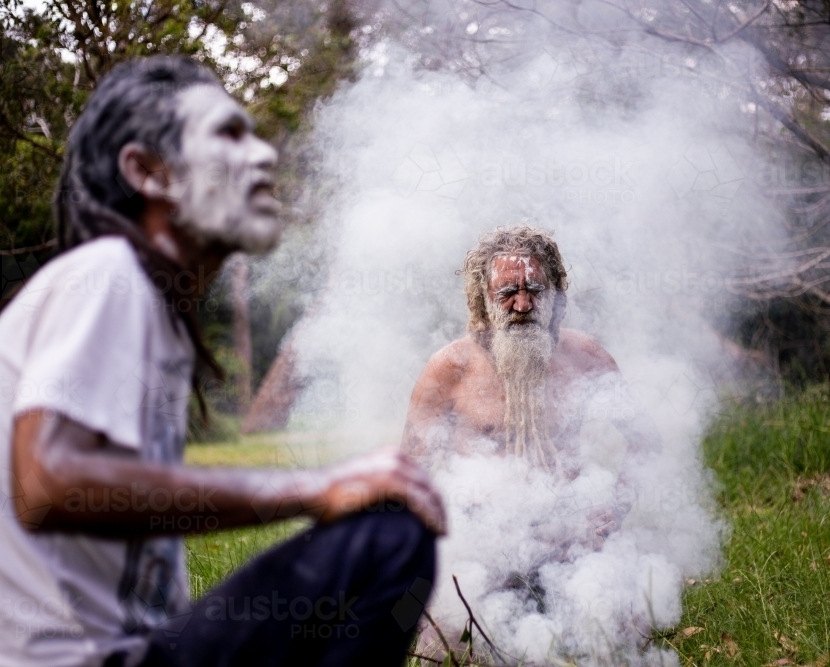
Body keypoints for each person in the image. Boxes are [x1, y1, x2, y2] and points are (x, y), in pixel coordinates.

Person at [0, 56, 445, 667]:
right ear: (149, 172)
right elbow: (45, 481)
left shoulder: (151, 314)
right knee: (390, 537)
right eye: (229, 134)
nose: (262, 154)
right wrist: (314, 487)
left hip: (142, 647)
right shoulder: (107, 274)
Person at [401, 225, 658, 544]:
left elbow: (645, 439)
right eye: (508, 292)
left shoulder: (585, 356)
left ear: (556, 293)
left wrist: (615, 508)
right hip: (482, 544)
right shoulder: (449, 368)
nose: (523, 305)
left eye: (535, 289)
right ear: (484, 297)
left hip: (567, 541)